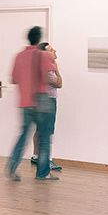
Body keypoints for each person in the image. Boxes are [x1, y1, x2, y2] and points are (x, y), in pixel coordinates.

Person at [5, 26, 58, 181]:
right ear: (39, 38)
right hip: (41, 101)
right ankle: (42, 173)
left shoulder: (19, 56)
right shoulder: (42, 55)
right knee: (45, 138)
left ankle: (12, 168)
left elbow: (13, 79)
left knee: (23, 137)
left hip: (24, 103)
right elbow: (49, 78)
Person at [32, 42, 63, 174]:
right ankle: (46, 161)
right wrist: (57, 70)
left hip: (40, 100)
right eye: (51, 50)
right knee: (47, 131)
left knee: (40, 130)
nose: (55, 51)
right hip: (48, 100)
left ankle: (36, 157)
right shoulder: (48, 69)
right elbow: (59, 83)